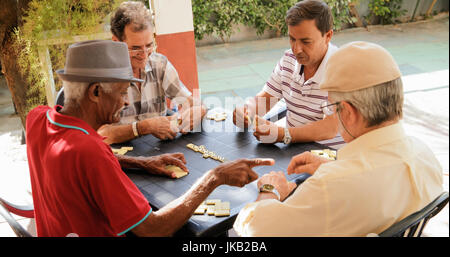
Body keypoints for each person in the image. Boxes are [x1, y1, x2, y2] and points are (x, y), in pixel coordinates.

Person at [26, 40, 273, 236]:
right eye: (122, 92)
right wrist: (215, 177)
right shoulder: (89, 151)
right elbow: (153, 229)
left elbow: (79, 166)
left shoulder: (37, 118)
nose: (124, 101)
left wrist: (141, 162)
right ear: (96, 91)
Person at [233, 41, 444, 236]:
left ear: (349, 113)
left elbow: (256, 232)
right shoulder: (426, 156)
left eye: (333, 107)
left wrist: (270, 190)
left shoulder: (330, 187)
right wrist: (336, 166)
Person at [233, 0, 344, 149]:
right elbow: (266, 99)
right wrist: (246, 111)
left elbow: (331, 127)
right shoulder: (289, 60)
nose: (296, 49)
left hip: (329, 156)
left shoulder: (342, 68)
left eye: (306, 41)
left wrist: (284, 134)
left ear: (328, 36)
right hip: (293, 150)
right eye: (292, 39)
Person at [98, 1, 206, 144]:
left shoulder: (159, 64)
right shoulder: (102, 77)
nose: (144, 55)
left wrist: (199, 110)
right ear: (116, 42)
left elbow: (193, 103)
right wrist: (144, 127)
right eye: (135, 48)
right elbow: (100, 134)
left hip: (157, 152)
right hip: (120, 158)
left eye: (149, 45)